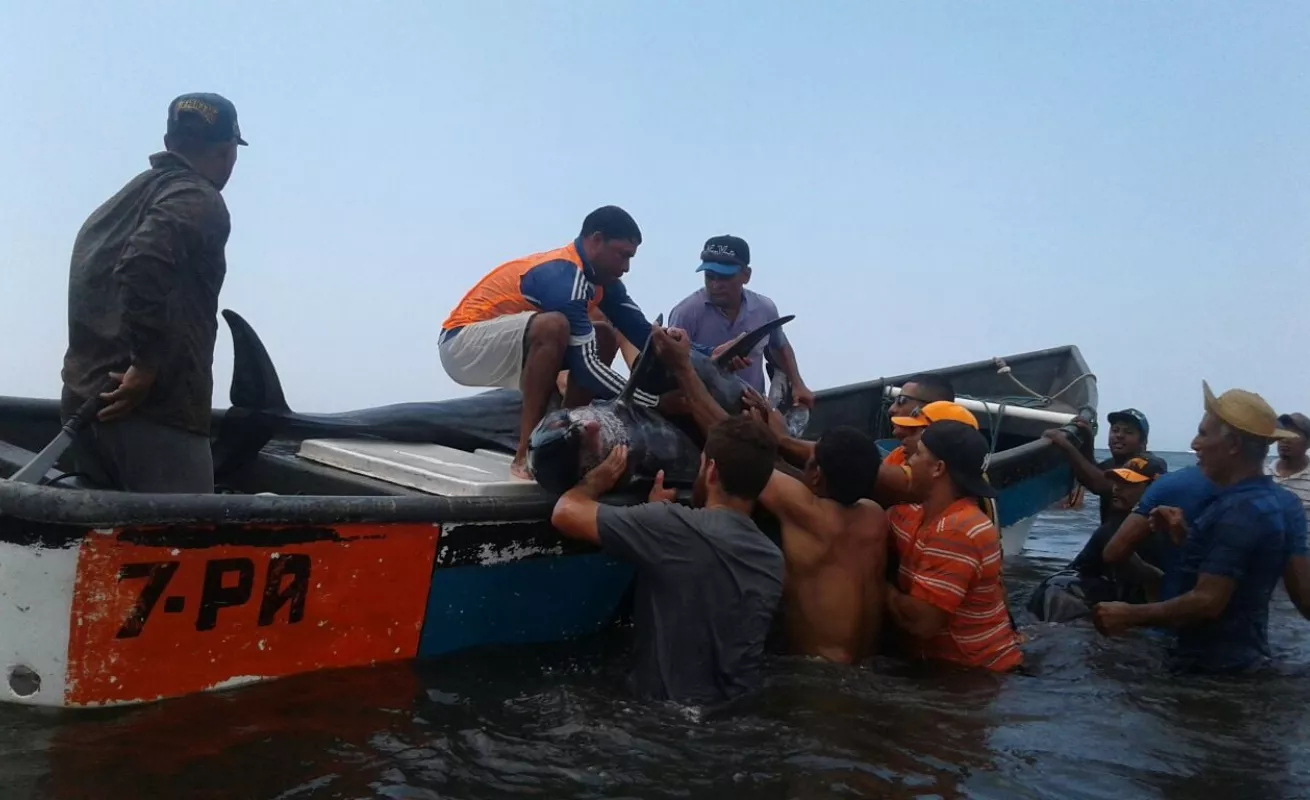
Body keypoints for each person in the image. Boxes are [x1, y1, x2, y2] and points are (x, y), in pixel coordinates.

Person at [61, 93, 246, 494]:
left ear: (168, 142)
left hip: (87, 405)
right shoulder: (199, 197)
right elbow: (144, 261)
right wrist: (146, 365)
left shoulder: (119, 203)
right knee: (187, 542)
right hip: (154, 414)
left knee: (117, 548)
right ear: (228, 151)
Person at [550, 416, 784, 705]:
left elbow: (565, 512)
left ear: (710, 471)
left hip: (662, 716)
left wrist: (593, 483)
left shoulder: (669, 525)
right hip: (731, 716)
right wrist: (655, 517)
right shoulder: (773, 559)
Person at [1093, 382, 1308, 673]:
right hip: (1251, 658)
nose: (1195, 444)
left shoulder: (1238, 510)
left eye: (1203, 434)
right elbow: (1302, 597)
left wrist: (1129, 615)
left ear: (1232, 445)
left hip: (1208, 671)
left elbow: (1208, 602)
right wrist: (1185, 538)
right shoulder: (1286, 504)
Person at [440, 206, 667, 480]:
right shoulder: (563, 276)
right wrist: (651, 403)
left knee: (604, 336)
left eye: (630, 258)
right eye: (621, 255)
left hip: (513, 348)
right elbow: (586, 367)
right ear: (595, 240)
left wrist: (697, 357)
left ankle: (562, 439)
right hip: (460, 345)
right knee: (553, 325)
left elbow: (644, 333)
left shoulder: (603, 283)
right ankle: (525, 453)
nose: (626, 267)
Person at [884, 420, 1023, 672]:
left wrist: (873, 583)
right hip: (944, 666)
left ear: (938, 468)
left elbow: (922, 623)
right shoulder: (913, 513)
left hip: (978, 675)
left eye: (918, 454)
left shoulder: (959, 530)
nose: (909, 461)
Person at [668, 235, 815, 408]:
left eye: (724, 277)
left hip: (754, 407)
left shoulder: (765, 309)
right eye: (709, 276)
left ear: (746, 275)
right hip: (705, 412)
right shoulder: (686, 313)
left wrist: (798, 385)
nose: (715, 285)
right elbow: (671, 365)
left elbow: (779, 346)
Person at [1044, 407, 1169, 545]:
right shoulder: (1112, 464)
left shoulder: (1148, 464)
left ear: (1143, 443)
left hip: (1139, 545)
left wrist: (1065, 445)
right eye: (1115, 430)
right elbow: (1090, 475)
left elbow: (1101, 485)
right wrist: (1088, 439)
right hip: (1112, 540)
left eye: (1128, 432)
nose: (1119, 435)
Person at [1269, 412, 1310, 527]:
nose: (1285, 439)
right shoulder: (1262, 472)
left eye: (1293, 434)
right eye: (1283, 432)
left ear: (1308, 442)